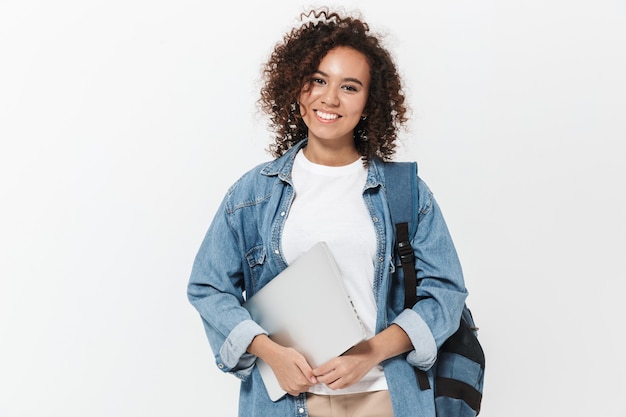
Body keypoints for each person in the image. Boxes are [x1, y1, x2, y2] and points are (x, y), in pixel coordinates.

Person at [187, 7, 468, 417]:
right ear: (296, 87)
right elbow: (208, 288)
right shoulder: (253, 194)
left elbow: (445, 293)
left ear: (370, 102)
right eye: (318, 80)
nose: (330, 98)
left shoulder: (404, 192)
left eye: (350, 87)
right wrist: (270, 352)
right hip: (289, 402)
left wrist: (368, 353)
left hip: (385, 398)